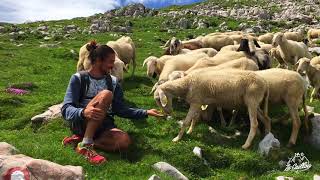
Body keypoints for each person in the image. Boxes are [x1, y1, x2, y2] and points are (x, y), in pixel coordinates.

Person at [61, 41, 162, 165]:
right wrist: (83, 112)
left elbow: (120, 109)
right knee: (106, 94)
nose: (113, 65)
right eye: (110, 61)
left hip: (104, 125)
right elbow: (66, 109)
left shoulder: (113, 82)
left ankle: (83, 141)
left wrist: (145, 112)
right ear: (98, 60)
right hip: (81, 122)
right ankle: (86, 146)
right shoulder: (79, 78)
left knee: (124, 141)